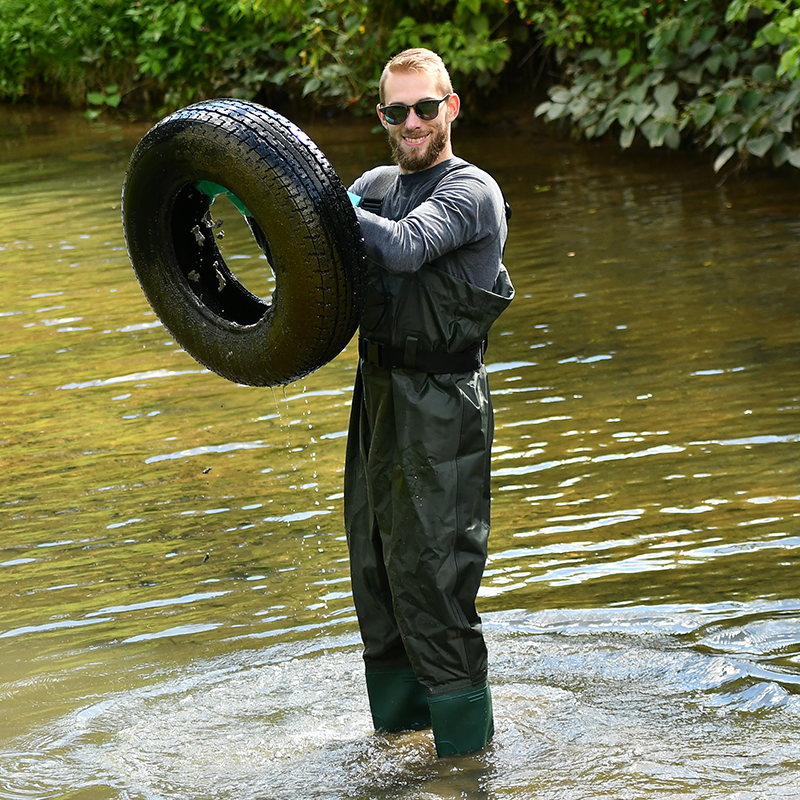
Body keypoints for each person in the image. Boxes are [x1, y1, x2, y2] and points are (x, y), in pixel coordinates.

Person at [343, 47, 514, 758]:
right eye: (395, 111)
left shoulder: (473, 192)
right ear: (382, 115)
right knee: (376, 571)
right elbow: (317, 254)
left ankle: (467, 764)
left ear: (451, 106)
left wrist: (321, 206)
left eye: (423, 107)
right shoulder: (375, 184)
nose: (410, 122)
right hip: (376, 396)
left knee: (434, 583)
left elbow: (409, 248)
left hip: (443, 406)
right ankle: (396, 749)